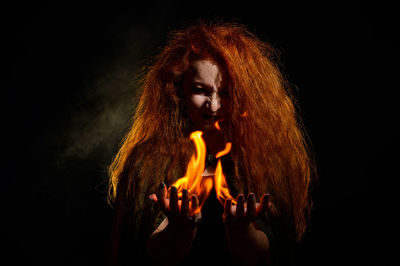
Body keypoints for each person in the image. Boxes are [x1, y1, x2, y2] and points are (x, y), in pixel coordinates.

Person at [108, 21, 315, 266]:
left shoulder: (266, 159)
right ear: (178, 90)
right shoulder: (148, 160)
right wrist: (179, 228)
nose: (214, 106)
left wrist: (241, 230)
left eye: (225, 93)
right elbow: (139, 254)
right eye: (200, 90)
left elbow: (274, 253)